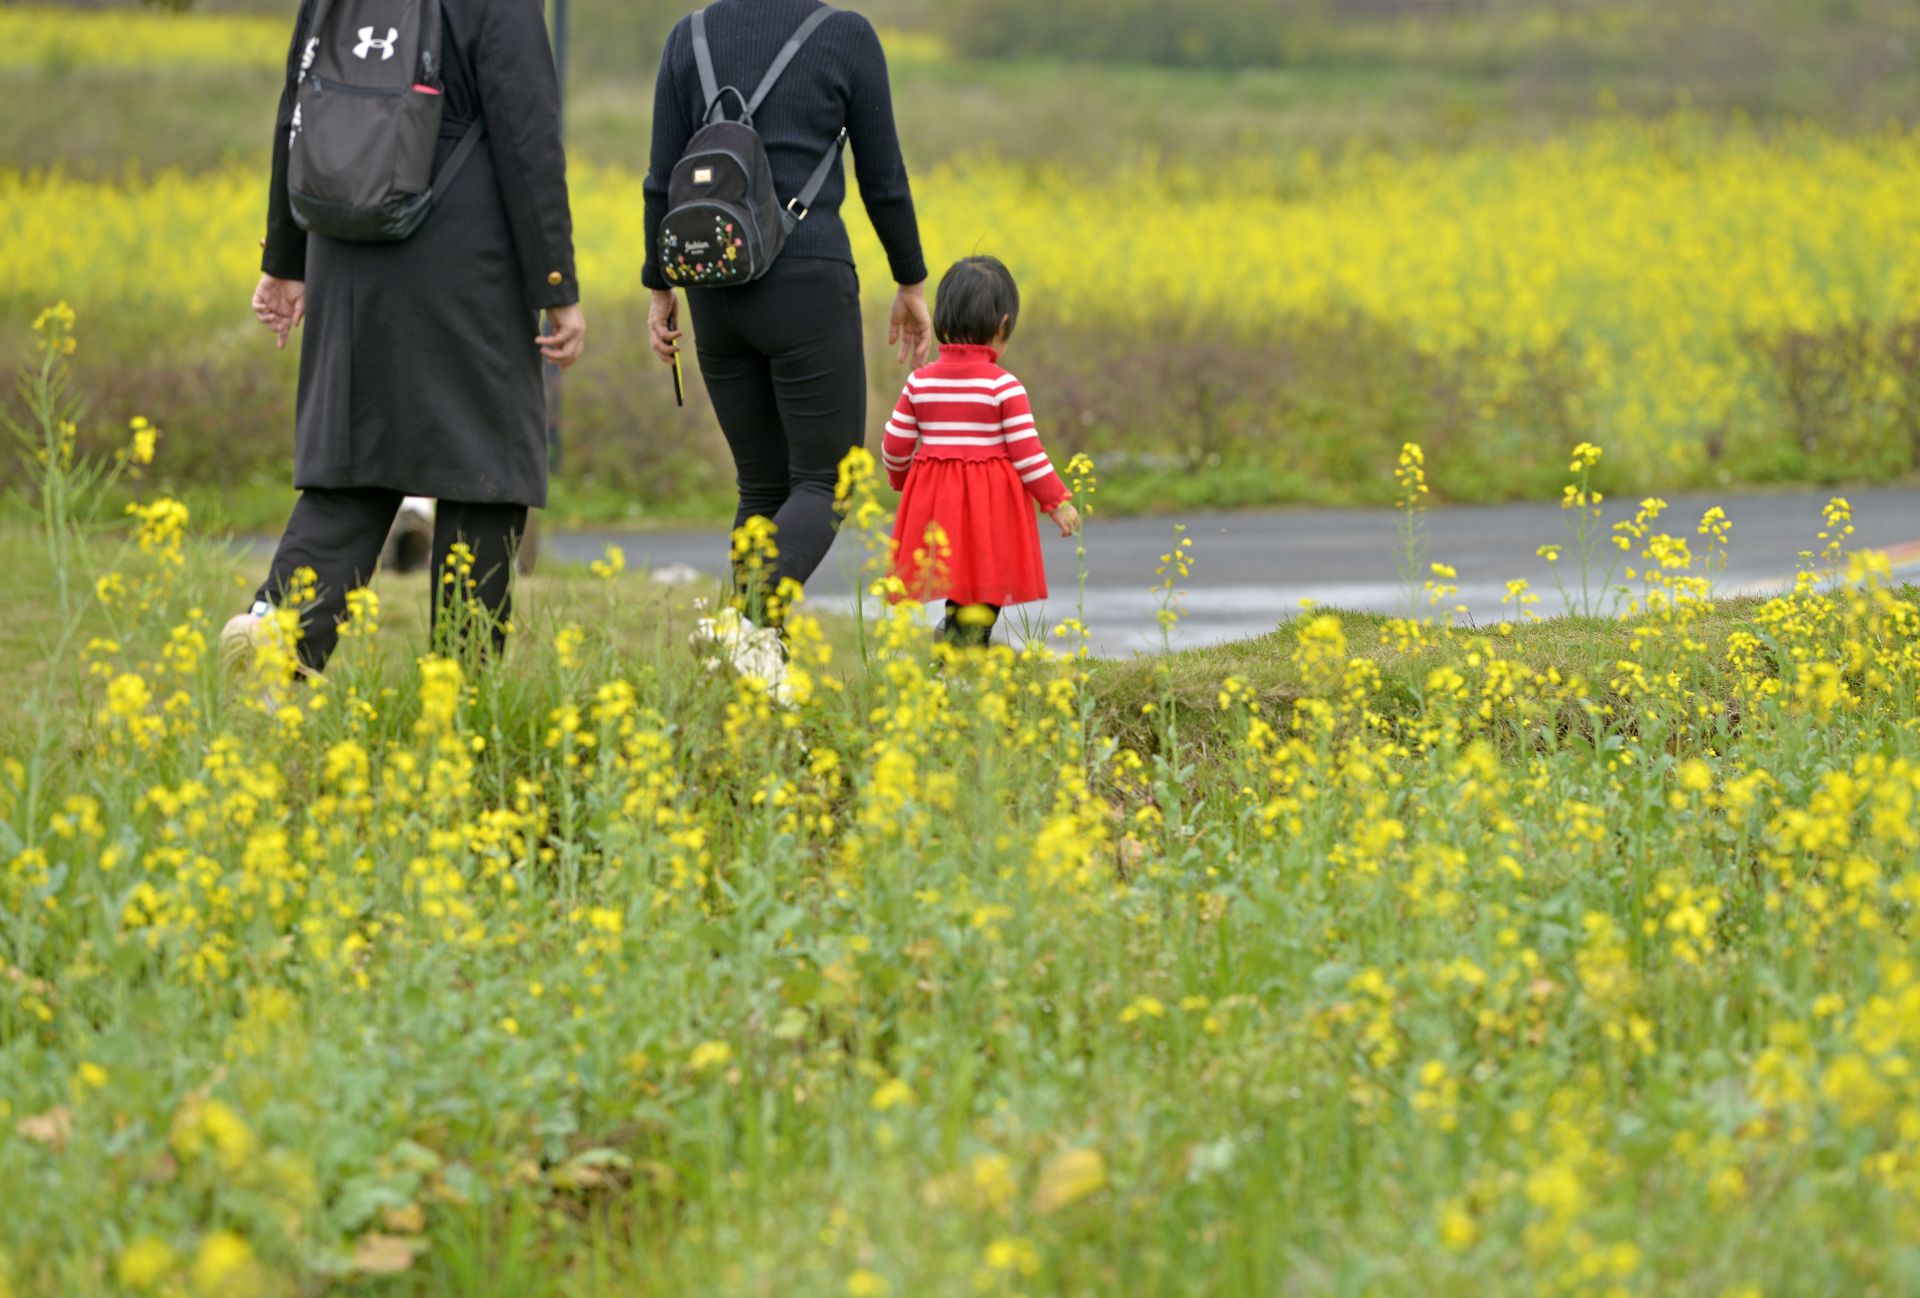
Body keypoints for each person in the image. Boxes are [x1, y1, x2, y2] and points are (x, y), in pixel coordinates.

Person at [228, 0, 586, 677]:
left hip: (345, 249)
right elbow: (527, 135)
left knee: (354, 465)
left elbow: (297, 108)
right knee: (487, 468)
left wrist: (285, 261)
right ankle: (460, 696)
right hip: (461, 260)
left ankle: (278, 633)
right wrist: (555, 284)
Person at [643, 0, 933, 644]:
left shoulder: (687, 37)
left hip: (712, 286)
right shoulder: (845, 36)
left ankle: (754, 672)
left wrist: (660, 286)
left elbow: (661, 181)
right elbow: (882, 177)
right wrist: (909, 277)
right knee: (827, 480)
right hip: (807, 279)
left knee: (762, 489)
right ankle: (741, 630)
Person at [883, 256, 1081, 648]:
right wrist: (1056, 501)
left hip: (937, 504)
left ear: (941, 321)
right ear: (1003, 326)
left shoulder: (919, 383)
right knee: (985, 588)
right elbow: (1028, 455)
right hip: (990, 510)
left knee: (957, 582)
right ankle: (959, 657)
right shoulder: (1004, 387)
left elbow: (894, 444)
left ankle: (955, 647)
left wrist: (906, 481)